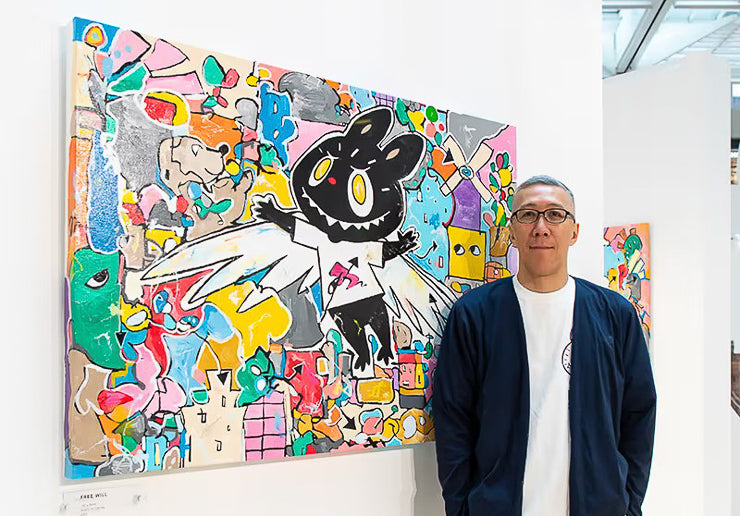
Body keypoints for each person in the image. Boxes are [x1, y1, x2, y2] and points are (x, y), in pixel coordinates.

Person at [433, 175, 656, 516]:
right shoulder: (474, 314)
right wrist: (461, 508)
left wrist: (628, 502)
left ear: (574, 231)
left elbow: (639, 413)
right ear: (512, 231)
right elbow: (453, 420)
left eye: (555, 214)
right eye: (527, 215)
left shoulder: (615, 315)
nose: (541, 227)